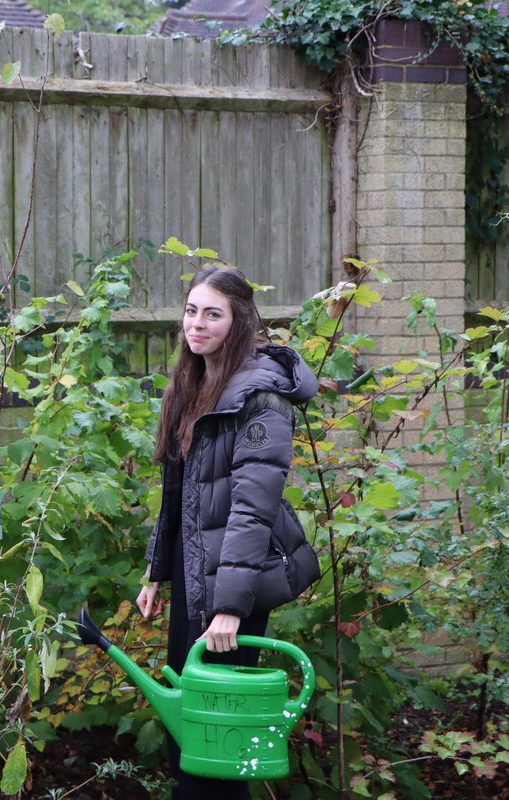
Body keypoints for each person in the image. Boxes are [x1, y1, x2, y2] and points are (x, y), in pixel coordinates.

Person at [136, 266, 317, 799]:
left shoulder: (259, 397)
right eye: (191, 311)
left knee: (217, 741)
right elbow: (181, 493)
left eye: (213, 314)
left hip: (230, 588)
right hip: (196, 576)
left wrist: (231, 607)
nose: (197, 323)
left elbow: (251, 508)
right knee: (193, 729)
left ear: (238, 323)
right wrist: (155, 571)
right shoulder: (195, 384)